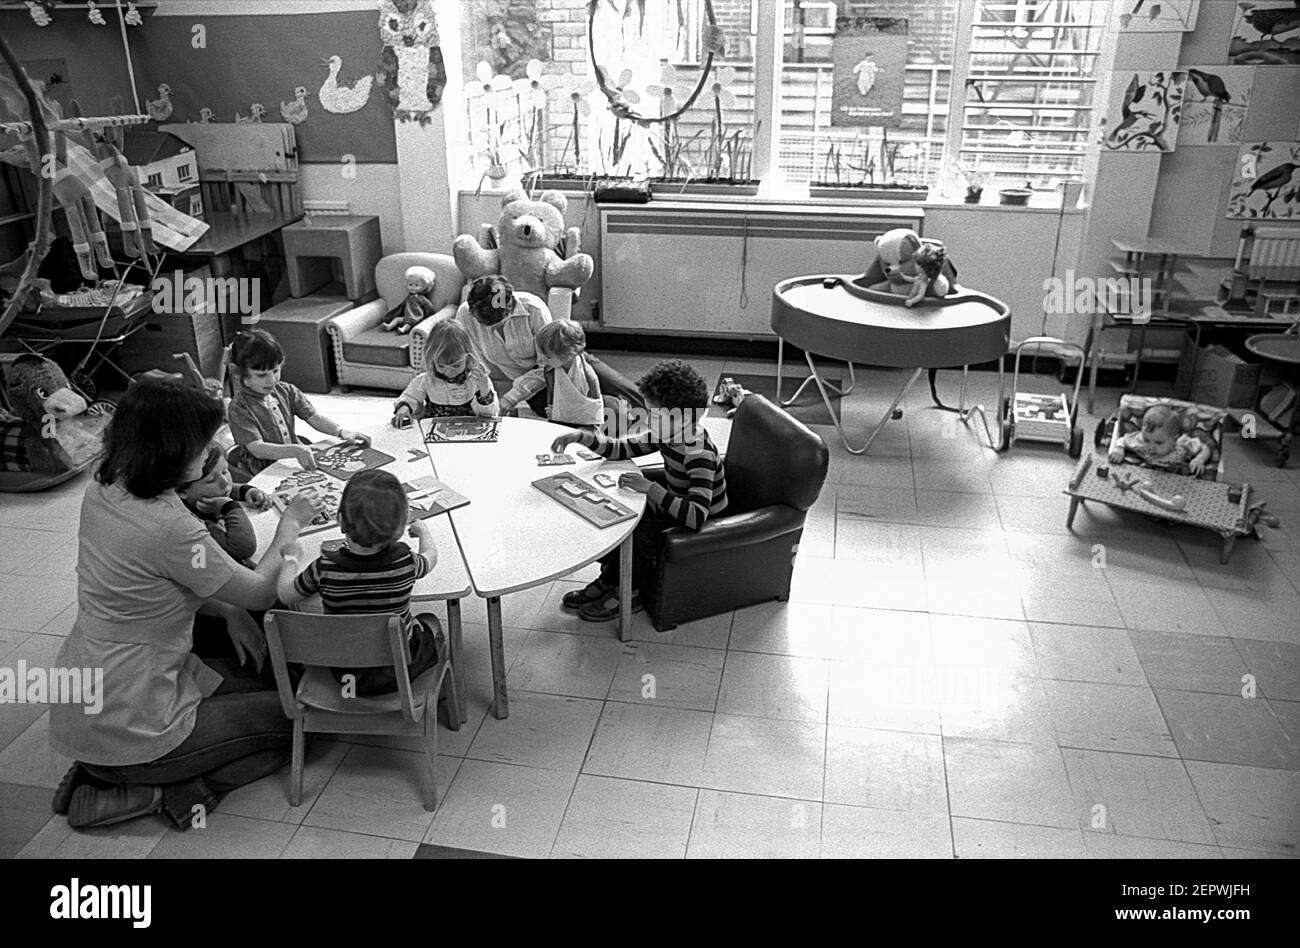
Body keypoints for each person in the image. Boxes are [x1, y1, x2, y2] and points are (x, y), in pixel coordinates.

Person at [48, 377, 320, 831]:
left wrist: (229, 612)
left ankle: (100, 771)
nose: (210, 449)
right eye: (202, 443)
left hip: (90, 693)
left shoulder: (106, 486)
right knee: (301, 722)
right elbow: (259, 590)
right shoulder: (171, 527)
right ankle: (163, 790)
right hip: (134, 717)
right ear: (170, 451)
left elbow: (147, 585)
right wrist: (289, 529)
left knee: (258, 683)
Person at [550, 360, 728, 621]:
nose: (649, 420)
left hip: (703, 518)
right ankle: (610, 580)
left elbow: (697, 516)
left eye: (655, 416)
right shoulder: (666, 433)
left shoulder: (698, 453)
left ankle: (630, 592)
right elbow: (622, 449)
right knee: (622, 520)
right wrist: (582, 438)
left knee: (641, 533)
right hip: (675, 504)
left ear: (684, 418)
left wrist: (651, 489)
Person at [277, 469, 443, 696]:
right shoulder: (406, 562)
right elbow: (430, 557)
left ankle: (351, 696)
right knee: (430, 623)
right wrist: (423, 532)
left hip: (344, 672)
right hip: (399, 671)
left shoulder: (324, 568)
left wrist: (291, 559)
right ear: (401, 525)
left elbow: (286, 595)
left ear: (341, 521)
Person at [457, 274, 644, 425]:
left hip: (561, 357)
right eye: (486, 326)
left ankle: (665, 416)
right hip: (534, 382)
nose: (492, 330)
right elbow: (475, 363)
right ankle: (627, 423)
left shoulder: (533, 307)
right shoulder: (466, 315)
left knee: (628, 392)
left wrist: (511, 398)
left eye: (500, 323)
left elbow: (548, 359)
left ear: (511, 304)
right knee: (576, 412)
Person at [226, 329, 371, 481]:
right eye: (261, 375)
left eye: (276, 371)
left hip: (295, 456)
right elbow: (258, 449)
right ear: (237, 372)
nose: (272, 380)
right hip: (261, 469)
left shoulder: (287, 391)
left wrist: (342, 432)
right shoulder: (239, 408)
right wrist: (295, 450)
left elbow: (314, 417)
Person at [392, 319, 499, 428]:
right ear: (432, 359)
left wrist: (484, 390)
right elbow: (409, 397)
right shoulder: (427, 379)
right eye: (441, 366)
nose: (449, 372)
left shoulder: (476, 379)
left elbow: (489, 415)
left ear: (468, 357)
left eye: (456, 365)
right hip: (434, 432)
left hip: (468, 432)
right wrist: (404, 408)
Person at [178, 444, 271, 566]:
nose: (225, 482)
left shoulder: (201, 495)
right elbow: (244, 548)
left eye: (225, 471)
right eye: (210, 480)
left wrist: (246, 491)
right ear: (182, 491)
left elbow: (225, 489)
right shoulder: (197, 523)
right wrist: (230, 507)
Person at [508, 319, 604, 428]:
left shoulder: (587, 375)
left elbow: (594, 413)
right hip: (560, 421)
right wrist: (554, 410)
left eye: (548, 357)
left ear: (569, 354)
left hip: (584, 427)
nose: (542, 360)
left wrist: (559, 412)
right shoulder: (550, 371)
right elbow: (553, 400)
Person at [1109, 403, 1211, 475]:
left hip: (1176, 480)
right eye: (1147, 440)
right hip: (1148, 476)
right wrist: (1119, 449)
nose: (1150, 446)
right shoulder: (1140, 441)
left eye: (1159, 443)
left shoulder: (1182, 443)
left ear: (1174, 439)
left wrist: (1200, 459)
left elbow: (1204, 448)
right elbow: (1123, 439)